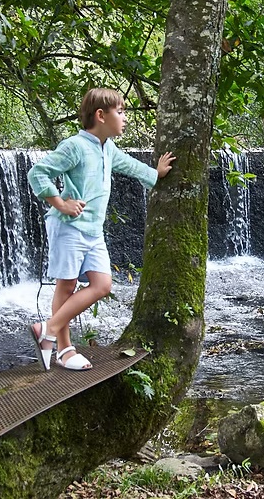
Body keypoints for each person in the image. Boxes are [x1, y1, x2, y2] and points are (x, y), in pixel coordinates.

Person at [26, 87, 174, 370]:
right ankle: (65, 349)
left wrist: (156, 173)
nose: (125, 118)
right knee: (67, 285)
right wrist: (61, 204)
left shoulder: (108, 148)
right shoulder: (75, 146)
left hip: (94, 231)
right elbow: (38, 172)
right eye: (121, 112)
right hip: (69, 227)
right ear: (100, 115)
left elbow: (130, 166)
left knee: (102, 285)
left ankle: (46, 330)